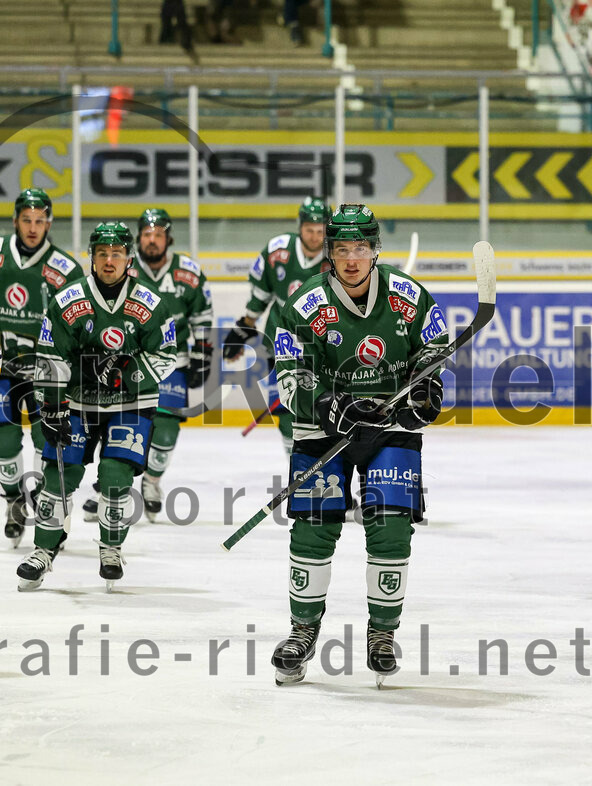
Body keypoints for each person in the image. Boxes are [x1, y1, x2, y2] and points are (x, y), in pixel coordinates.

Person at [268, 204, 448, 687]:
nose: (352, 259)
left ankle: (382, 635)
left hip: (390, 428)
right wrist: (329, 405)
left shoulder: (408, 297)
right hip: (323, 430)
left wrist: (427, 388)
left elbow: (434, 350)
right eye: (342, 249)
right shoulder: (303, 304)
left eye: (361, 248)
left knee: (391, 527)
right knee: (313, 527)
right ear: (329, 253)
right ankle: (302, 631)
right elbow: (289, 377)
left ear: (375, 251)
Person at [16, 222, 177, 591]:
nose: (108, 261)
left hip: (131, 404)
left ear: (129, 259)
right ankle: (44, 549)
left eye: (116, 254)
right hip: (78, 404)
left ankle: (111, 547)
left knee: (115, 476)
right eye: (102, 254)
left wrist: (126, 373)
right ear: (91, 257)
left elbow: (167, 354)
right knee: (60, 475)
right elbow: (50, 354)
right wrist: (53, 407)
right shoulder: (68, 299)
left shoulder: (150, 302)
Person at [0, 188, 83, 547]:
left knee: (47, 440)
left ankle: (47, 506)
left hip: (45, 369)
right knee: (2, 439)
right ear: (15, 220)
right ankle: (15, 501)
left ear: (48, 223)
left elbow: (78, 325)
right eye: (26, 220)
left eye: (40, 221)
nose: (33, 228)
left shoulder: (66, 269)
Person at [81, 208, 212, 523]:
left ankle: (152, 481)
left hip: (170, 362)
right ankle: (107, 487)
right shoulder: (123, 267)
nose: (152, 240)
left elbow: (202, 316)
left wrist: (203, 355)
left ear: (169, 239)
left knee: (165, 430)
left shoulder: (188, 273)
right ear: (138, 239)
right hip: (120, 366)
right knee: (114, 426)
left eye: (158, 234)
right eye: (147, 234)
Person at [223, 196, 331, 455]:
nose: (315, 237)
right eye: (309, 230)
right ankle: (298, 465)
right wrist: (244, 327)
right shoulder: (277, 250)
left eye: (320, 231)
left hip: (322, 343)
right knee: (285, 407)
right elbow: (260, 296)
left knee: (326, 408)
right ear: (300, 227)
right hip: (279, 340)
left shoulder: (337, 255)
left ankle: (332, 470)